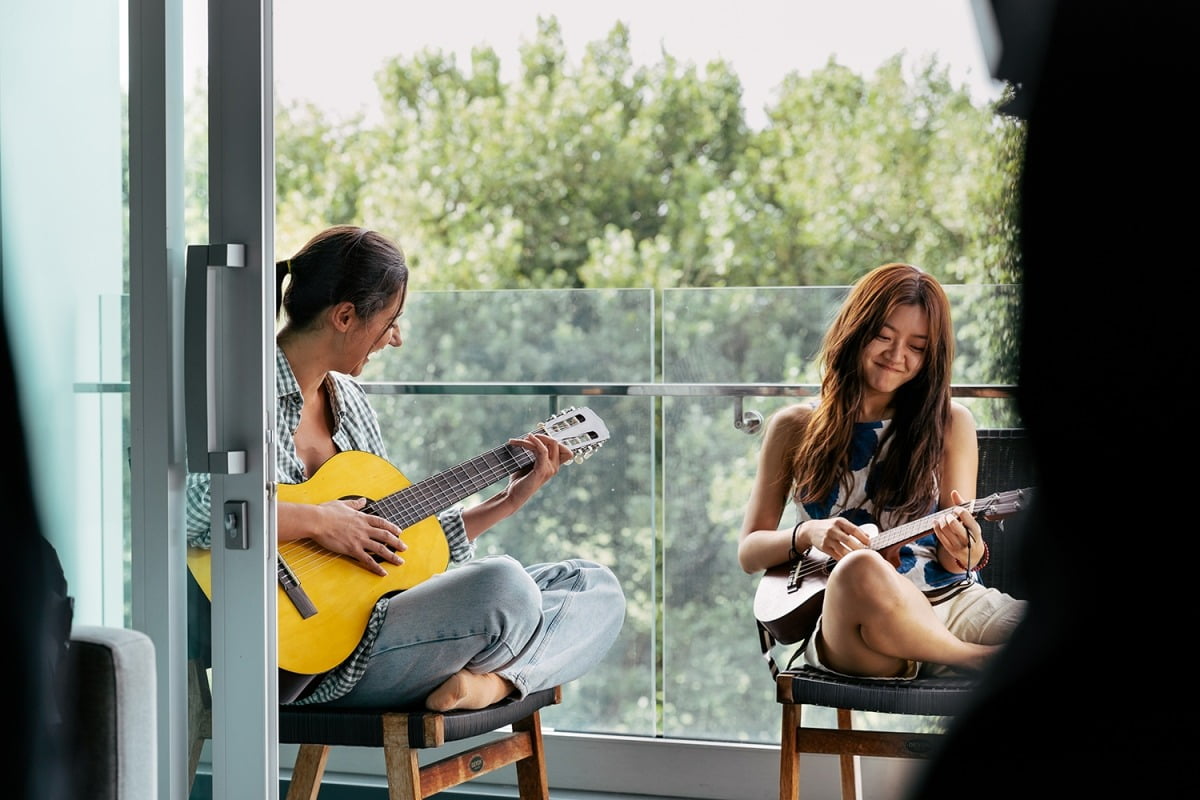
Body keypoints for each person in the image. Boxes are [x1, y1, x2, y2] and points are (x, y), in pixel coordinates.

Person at [186, 224, 625, 710]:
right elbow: (198, 510)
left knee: (592, 585)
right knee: (505, 587)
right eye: (391, 320)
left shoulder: (349, 401)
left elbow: (396, 540)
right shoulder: (246, 391)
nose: (396, 337)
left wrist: (507, 501)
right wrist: (323, 521)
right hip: (308, 659)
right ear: (346, 316)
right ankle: (503, 676)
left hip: (382, 617)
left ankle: (495, 684)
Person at [738, 262, 1024, 679]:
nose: (897, 356)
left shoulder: (951, 422)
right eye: (883, 336)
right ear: (854, 332)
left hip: (950, 605)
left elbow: (961, 558)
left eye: (917, 346)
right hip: (859, 630)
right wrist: (809, 533)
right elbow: (749, 552)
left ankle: (957, 653)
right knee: (860, 568)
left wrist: (967, 547)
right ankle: (975, 660)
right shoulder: (794, 427)